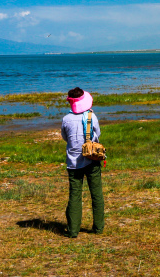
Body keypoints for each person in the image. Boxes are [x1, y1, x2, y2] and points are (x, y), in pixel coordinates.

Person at [61, 87, 104, 238]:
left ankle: (73, 231)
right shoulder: (92, 116)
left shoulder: (66, 119)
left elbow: (65, 137)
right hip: (91, 159)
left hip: (73, 162)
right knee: (96, 194)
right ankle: (98, 228)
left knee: (74, 195)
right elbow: (97, 134)